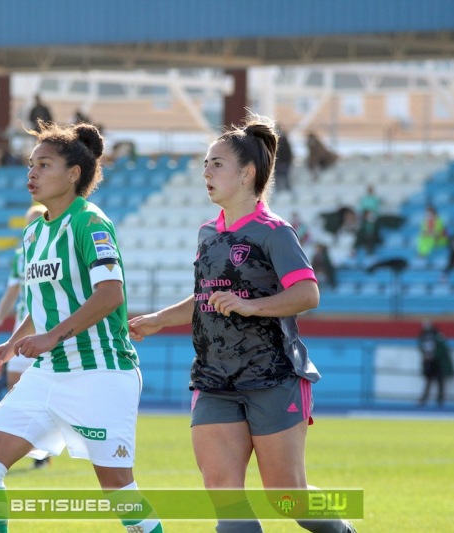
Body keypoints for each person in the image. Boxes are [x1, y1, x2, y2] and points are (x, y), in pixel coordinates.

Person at [128, 115, 355, 533]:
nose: (206, 172)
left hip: (274, 377)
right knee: (226, 497)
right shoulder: (205, 235)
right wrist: (159, 319)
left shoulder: (275, 232)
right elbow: (206, 300)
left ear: (247, 173)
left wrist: (251, 306)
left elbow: (308, 295)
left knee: (288, 499)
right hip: (214, 380)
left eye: (216, 164)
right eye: (205, 164)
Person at [0, 122, 163, 533]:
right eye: (31, 165)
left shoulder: (91, 223)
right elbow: (43, 305)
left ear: (74, 173)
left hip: (100, 372)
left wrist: (51, 337)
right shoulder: (34, 232)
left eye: (44, 165)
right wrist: (11, 343)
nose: (31, 174)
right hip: (49, 373)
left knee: (118, 490)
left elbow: (110, 295)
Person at [0, 203, 49, 467]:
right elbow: (12, 291)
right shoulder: (20, 255)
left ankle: (43, 449)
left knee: (47, 388)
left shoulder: (53, 248)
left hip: (47, 327)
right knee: (14, 385)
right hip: (22, 328)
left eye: (38, 220)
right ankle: (25, 442)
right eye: (29, 221)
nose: (32, 226)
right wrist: (0, 317)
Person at [417, 321, 454, 407]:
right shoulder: (423, 336)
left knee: (440, 381)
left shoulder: (437, 335)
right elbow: (420, 346)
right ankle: (424, 399)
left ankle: (440, 399)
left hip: (437, 363)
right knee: (428, 381)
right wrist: (426, 355)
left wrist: (434, 355)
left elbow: (442, 347)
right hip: (428, 362)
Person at [273, 124, 294, 192]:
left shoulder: (284, 139)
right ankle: (280, 189)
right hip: (279, 162)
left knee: (285, 177)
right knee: (279, 177)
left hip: (283, 161)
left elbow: (287, 152)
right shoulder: (276, 140)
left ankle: (286, 188)